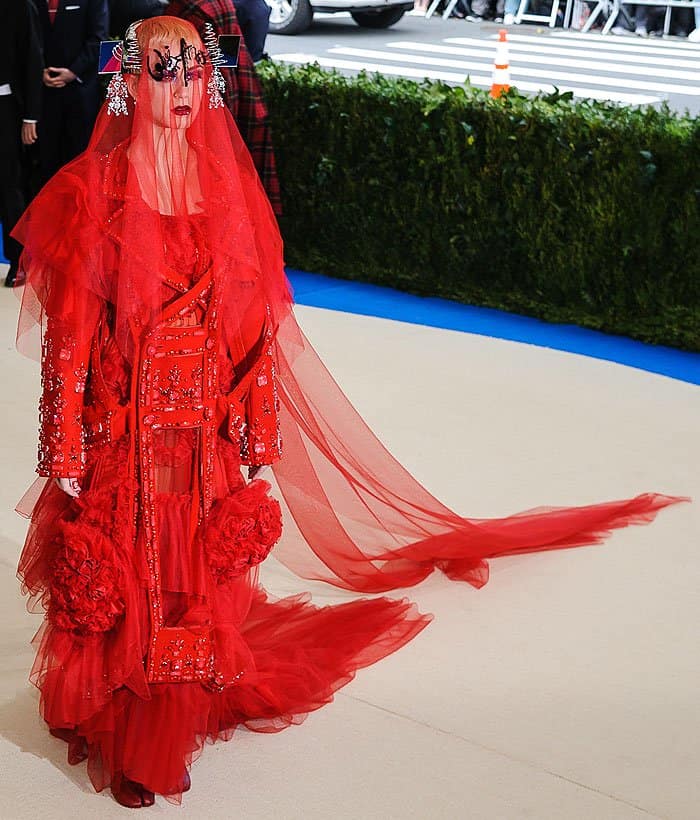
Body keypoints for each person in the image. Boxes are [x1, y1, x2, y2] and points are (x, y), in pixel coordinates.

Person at [12, 16, 683, 809]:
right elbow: (71, 339)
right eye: (165, 71)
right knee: (126, 570)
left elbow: (256, 322)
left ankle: (169, 720)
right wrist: (65, 449)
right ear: (129, 81)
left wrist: (257, 427)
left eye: (197, 71)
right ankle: (126, 723)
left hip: (203, 431)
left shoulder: (227, 190)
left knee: (192, 570)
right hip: (124, 425)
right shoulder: (92, 193)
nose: (185, 89)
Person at [167, 0, 282, 214]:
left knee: (203, 193)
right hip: (231, 91)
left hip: (201, 106)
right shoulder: (219, 4)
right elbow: (228, 54)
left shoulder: (189, 10)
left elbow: (179, 67)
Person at [36, 0, 109, 184]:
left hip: (80, 91)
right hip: (42, 92)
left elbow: (99, 38)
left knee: (79, 158)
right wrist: (38, 70)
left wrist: (73, 72)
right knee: (45, 160)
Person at [0, 0, 43, 287]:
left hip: (6, 106)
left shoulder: (18, 7)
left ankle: (19, 260)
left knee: (9, 184)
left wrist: (30, 116)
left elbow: (32, 60)